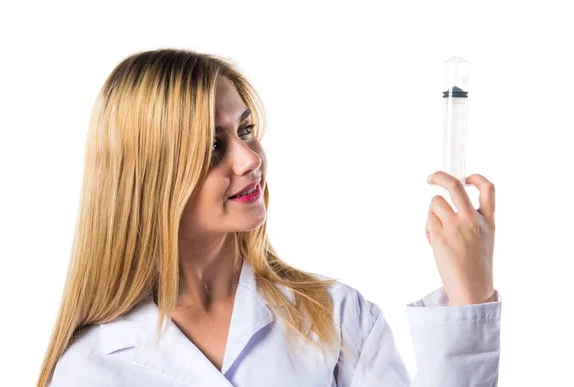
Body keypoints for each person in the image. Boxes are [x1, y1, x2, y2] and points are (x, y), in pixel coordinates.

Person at [37, 49, 501, 387]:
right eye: (212, 145)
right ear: (149, 174)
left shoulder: (335, 318)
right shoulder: (89, 369)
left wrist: (469, 295)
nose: (248, 158)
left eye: (246, 130)